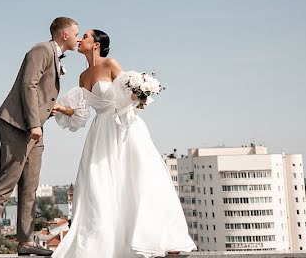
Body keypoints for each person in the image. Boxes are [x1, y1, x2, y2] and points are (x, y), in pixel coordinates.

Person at [50, 29, 196, 258]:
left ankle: (158, 237)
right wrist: (59, 108)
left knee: (136, 178)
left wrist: (142, 92)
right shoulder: (82, 77)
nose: (80, 40)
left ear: (96, 44)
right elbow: (80, 113)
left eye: (85, 36)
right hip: (99, 133)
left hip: (123, 129)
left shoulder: (110, 64)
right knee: (97, 184)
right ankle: (105, 244)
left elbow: (131, 93)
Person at [0, 17, 80, 257]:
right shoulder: (41, 50)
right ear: (64, 35)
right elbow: (28, 85)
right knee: (6, 183)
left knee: (30, 187)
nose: (78, 37)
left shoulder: (53, 55)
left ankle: (26, 241)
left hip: (35, 128)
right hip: (18, 126)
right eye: (76, 33)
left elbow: (39, 91)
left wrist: (46, 111)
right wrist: (34, 122)